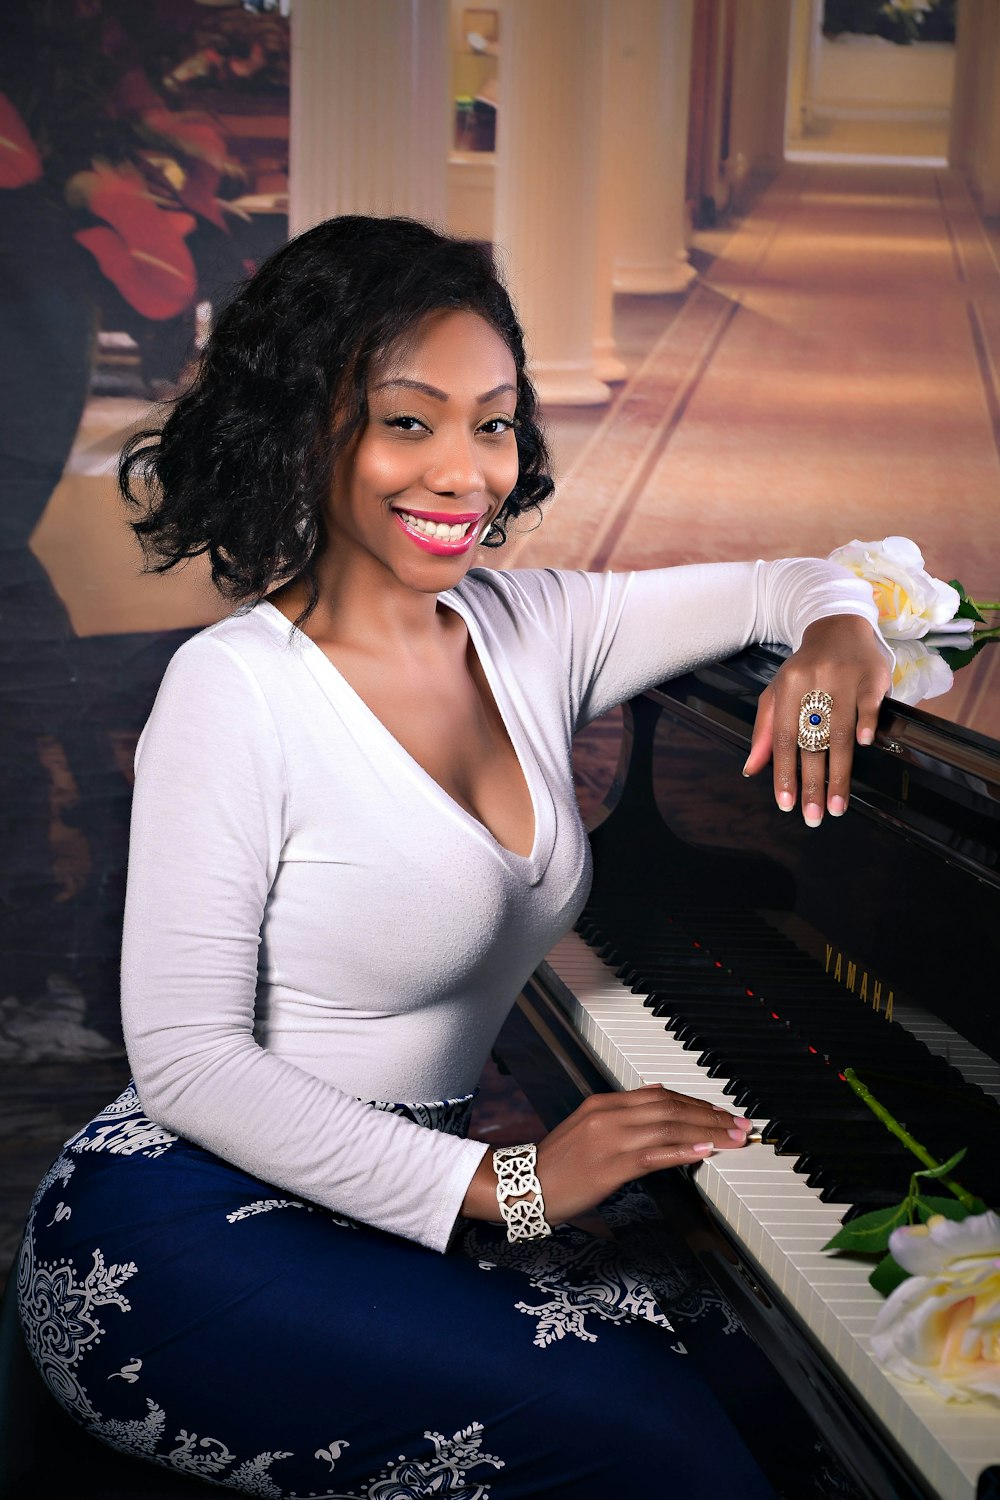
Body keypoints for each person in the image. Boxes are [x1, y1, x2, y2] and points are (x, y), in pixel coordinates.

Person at [17, 216, 892, 1499]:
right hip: (186, 1230)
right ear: (305, 429)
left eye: (492, 423)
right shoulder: (234, 689)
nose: (465, 472)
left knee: (776, 1392)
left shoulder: (536, 625)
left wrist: (838, 640)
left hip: (405, 1210)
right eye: (408, 421)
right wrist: (514, 1187)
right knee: (657, 1438)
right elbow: (190, 1064)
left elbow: (797, 582)